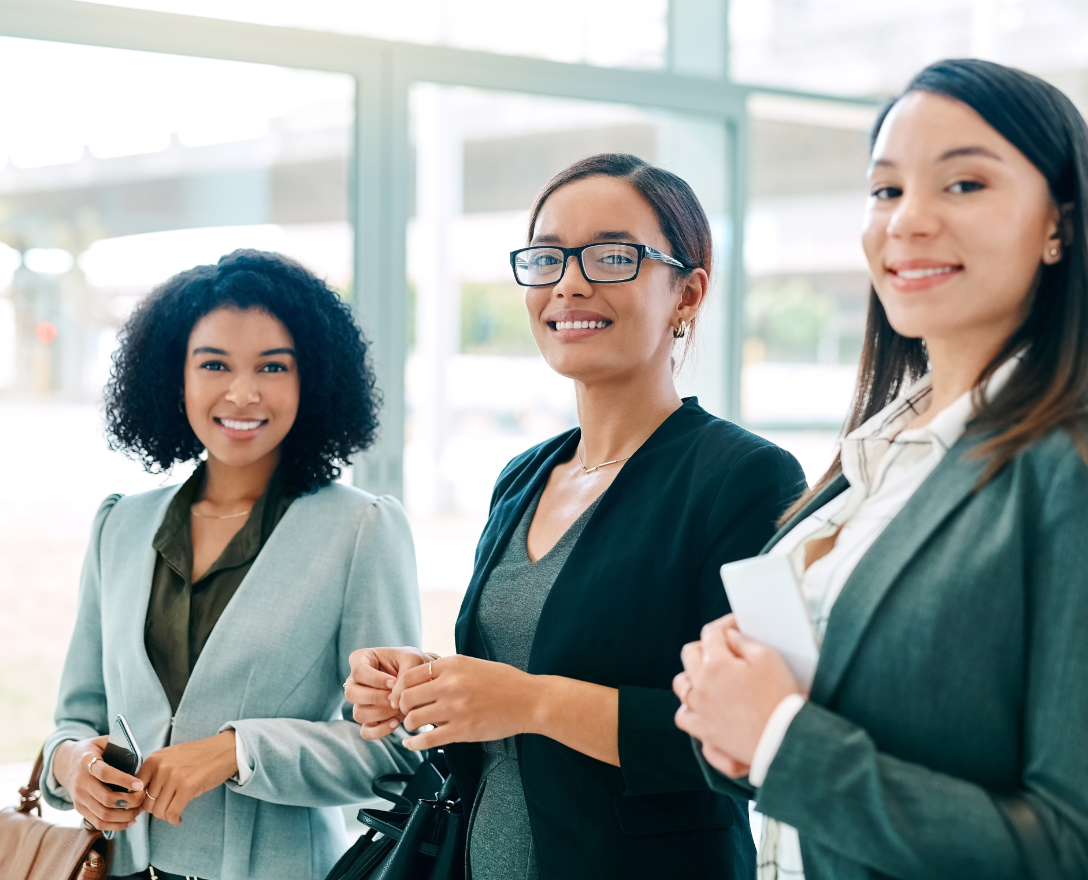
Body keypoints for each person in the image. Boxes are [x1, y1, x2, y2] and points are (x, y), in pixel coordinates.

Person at [672, 58, 1088, 880]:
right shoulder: (877, 454)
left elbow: (1086, 856)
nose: (906, 221)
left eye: (963, 185)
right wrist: (730, 727)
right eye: (885, 190)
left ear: (1059, 223)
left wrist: (778, 737)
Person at [344, 153, 807, 879]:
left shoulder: (745, 477)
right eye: (548, 257)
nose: (570, 282)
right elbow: (517, 691)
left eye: (612, 256)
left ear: (688, 293)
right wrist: (428, 687)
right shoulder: (522, 478)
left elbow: (751, 746)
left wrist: (530, 701)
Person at [41, 250, 422, 880]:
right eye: (213, 364)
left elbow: (395, 752)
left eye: (273, 367)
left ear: (313, 380)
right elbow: (74, 719)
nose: (242, 393)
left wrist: (238, 750)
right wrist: (73, 763)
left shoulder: (362, 530)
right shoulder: (120, 525)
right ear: (175, 377)